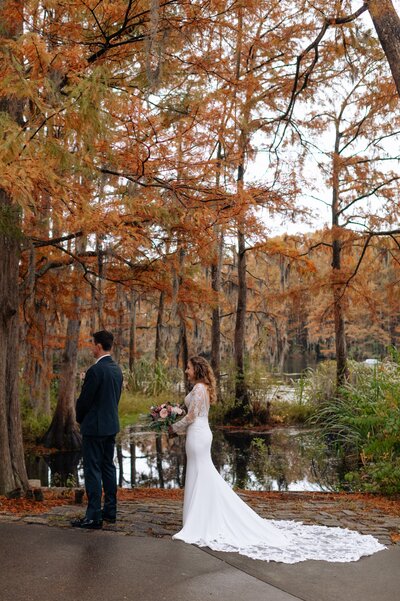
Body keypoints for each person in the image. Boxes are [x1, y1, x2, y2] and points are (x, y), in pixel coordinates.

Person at [169, 355, 386, 563]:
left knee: (202, 474)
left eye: (188, 367)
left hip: (197, 435)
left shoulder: (198, 388)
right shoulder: (202, 388)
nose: (186, 371)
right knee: (202, 475)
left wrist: (173, 427)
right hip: (200, 434)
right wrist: (171, 411)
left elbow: (191, 416)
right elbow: (190, 411)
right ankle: (200, 517)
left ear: (196, 369)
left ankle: (199, 522)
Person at [71, 330, 123, 530]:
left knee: (92, 470)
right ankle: (110, 511)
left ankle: (93, 517)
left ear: (99, 346)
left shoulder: (95, 371)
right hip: (110, 426)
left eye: (93, 344)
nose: (91, 347)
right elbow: (114, 399)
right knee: (108, 467)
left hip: (94, 427)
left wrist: (79, 418)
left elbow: (84, 401)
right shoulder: (116, 369)